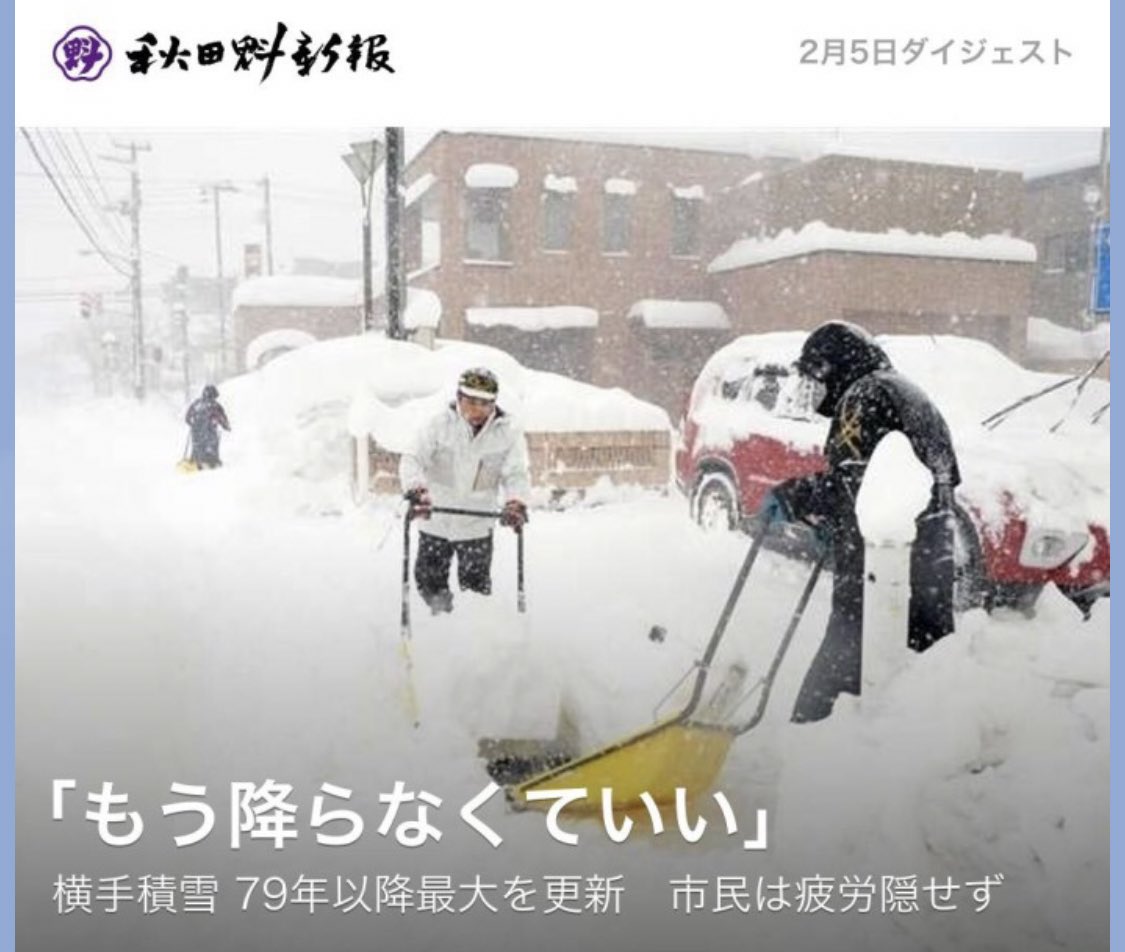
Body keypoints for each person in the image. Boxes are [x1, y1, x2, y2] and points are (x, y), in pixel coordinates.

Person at [757, 321, 961, 723]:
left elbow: (854, 486)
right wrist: (839, 521)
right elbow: (935, 481)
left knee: (829, 692)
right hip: (929, 568)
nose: (813, 387)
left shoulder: (863, 397)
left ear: (834, 367)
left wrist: (794, 496)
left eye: (816, 373)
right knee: (915, 688)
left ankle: (812, 755)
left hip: (876, 575)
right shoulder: (907, 392)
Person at [399, 367, 531, 614]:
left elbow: (515, 474)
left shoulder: (507, 433)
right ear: (459, 398)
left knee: (476, 593)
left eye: (485, 405)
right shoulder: (438, 426)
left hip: (476, 526)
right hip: (435, 521)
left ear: (494, 404)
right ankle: (441, 626)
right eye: (471, 403)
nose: (477, 412)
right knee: (429, 585)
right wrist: (417, 490)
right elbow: (412, 458)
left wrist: (515, 502)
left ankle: (474, 640)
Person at [184, 384, 231, 469]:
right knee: (212, 445)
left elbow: (187, 418)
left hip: (196, 433)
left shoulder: (196, 404)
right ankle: (212, 461)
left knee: (196, 446)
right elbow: (222, 418)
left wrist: (192, 423)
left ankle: (195, 460)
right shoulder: (214, 406)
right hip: (209, 433)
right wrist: (226, 426)